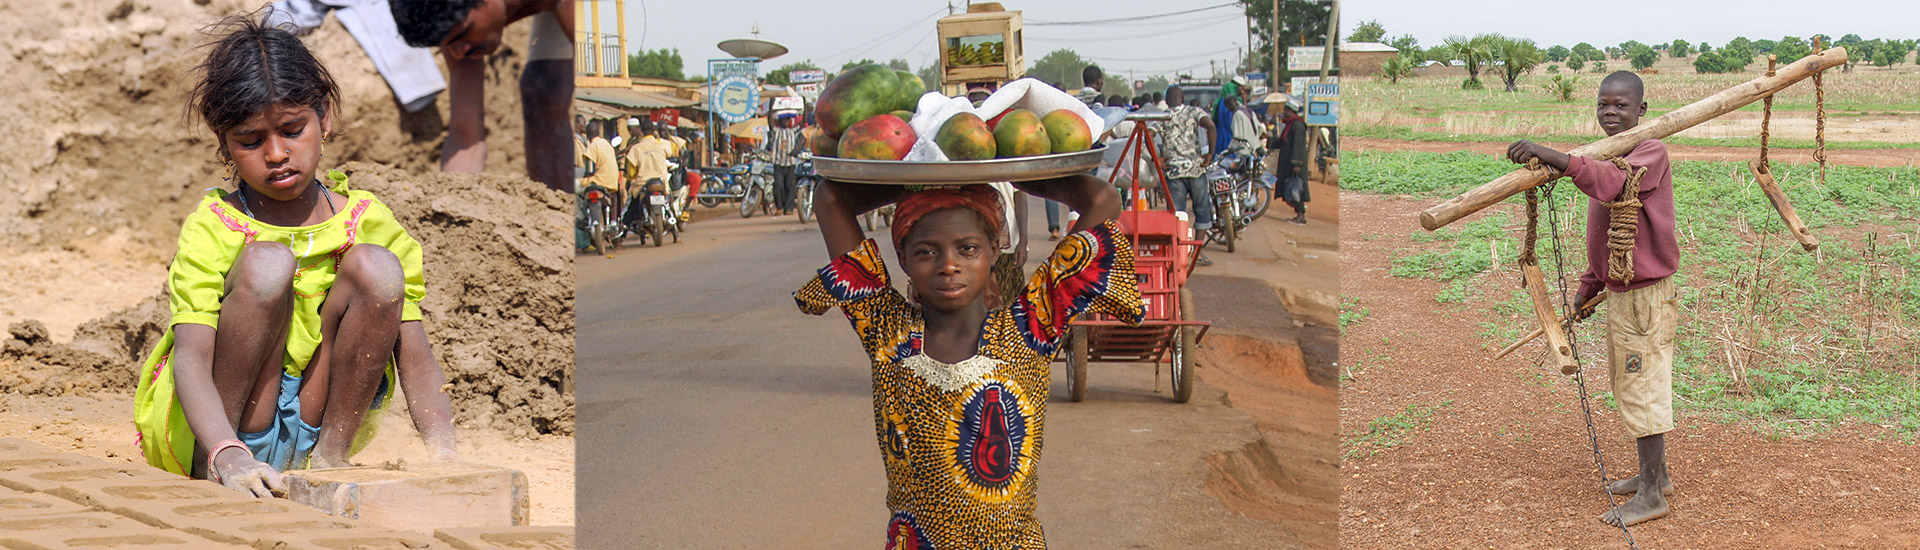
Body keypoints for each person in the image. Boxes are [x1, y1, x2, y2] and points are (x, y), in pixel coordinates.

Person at [134, 18, 458, 497]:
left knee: (379, 268)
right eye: (250, 141)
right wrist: (226, 452)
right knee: (268, 266)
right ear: (223, 143)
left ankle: (329, 462)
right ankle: (218, 465)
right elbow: (192, 359)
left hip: (319, 417)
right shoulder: (214, 225)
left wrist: (445, 455)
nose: (277, 154)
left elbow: (414, 352)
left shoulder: (369, 219)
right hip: (218, 433)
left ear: (323, 118)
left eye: (292, 129)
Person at [799, 175, 1141, 549]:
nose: (949, 265)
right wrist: (924, 179)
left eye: (967, 248)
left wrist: (1003, 170)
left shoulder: (1029, 330)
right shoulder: (888, 332)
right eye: (927, 252)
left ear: (994, 250)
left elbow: (1102, 197)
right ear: (903, 259)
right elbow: (830, 197)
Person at [1505, 71, 1677, 528]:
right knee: (1628, 384)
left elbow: (1612, 186)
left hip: (1644, 298)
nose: (1610, 113)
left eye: (1621, 106)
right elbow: (1606, 239)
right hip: (1622, 294)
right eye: (1603, 105)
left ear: (1642, 110)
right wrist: (1588, 286)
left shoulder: (1649, 152)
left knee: (1642, 387)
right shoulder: (1607, 157)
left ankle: (1651, 495)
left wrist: (1553, 155)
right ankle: (1656, 477)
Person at [390, 0, 574, 192]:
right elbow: (466, 140)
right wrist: (456, 203)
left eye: (463, 34)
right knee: (541, 92)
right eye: (447, 44)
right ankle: (552, 208)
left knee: (551, 85)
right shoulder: (454, 19)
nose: (458, 53)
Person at [1154, 86, 1218, 265]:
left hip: (1173, 171)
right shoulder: (1194, 112)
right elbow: (1210, 126)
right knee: (1202, 210)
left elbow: (1148, 134)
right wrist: (1210, 153)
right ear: (1183, 98)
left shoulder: (1162, 116)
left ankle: (1177, 252)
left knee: (1176, 214)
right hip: (1196, 168)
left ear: (1166, 100)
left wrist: (1157, 158)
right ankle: (1196, 254)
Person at [1274, 97, 1310, 225]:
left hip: (1295, 163)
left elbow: (1298, 146)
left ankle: (1301, 216)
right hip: (1288, 162)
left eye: (1286, 110)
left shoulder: (1298, 125)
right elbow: (1283, 141)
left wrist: (1297, 163)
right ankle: (1299, 213)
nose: (1284, 112)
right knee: (1291, 188)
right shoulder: (1289, 125)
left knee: (1297, 190)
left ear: (1291, 111)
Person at [764, 112, 806, 215]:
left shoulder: (792, 131)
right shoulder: (776, 131)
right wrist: (771, 106)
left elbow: (803, 122)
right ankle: (779, 207)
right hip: (778, 163)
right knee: (778, 185)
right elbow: (770, 122)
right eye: (784, 120)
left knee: (790, 186)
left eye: (788, 120)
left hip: (790, 164)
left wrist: (803, 104)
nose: (786, 122)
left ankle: (789, 208)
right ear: (780, 121)